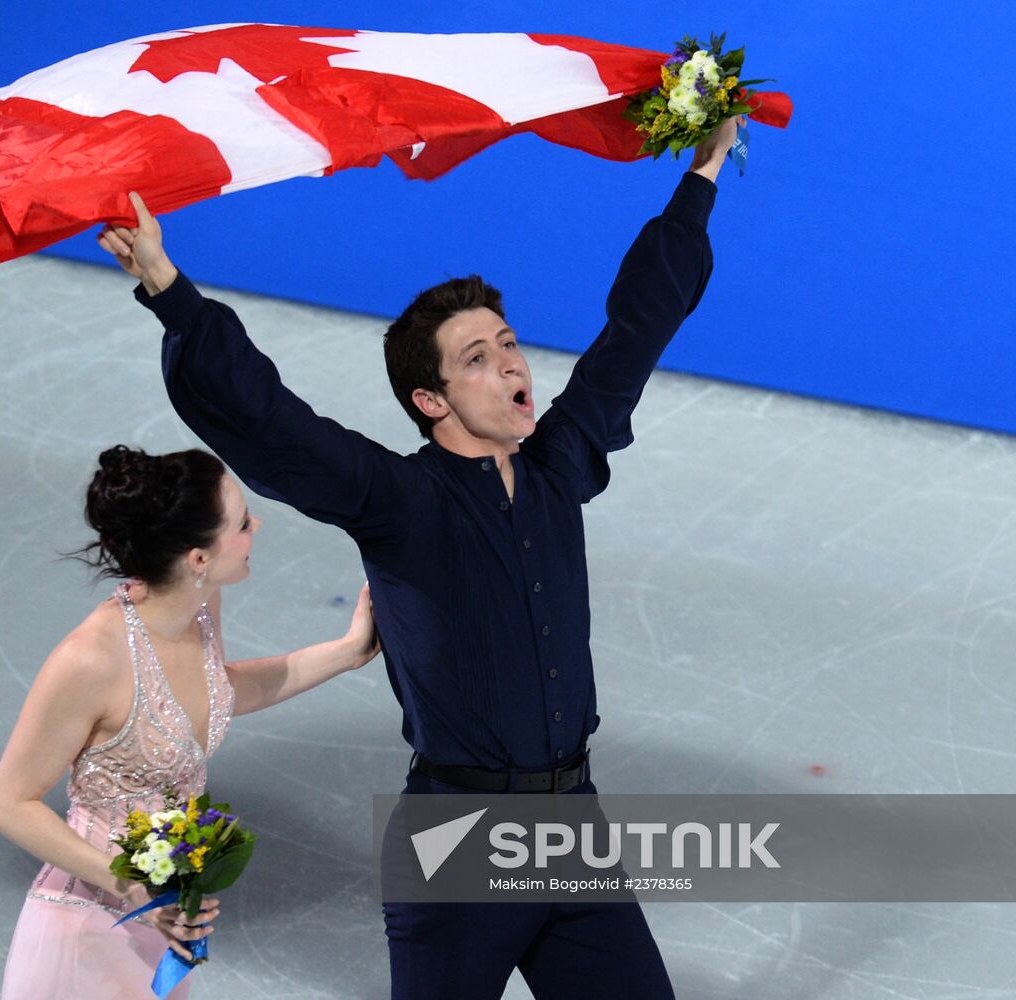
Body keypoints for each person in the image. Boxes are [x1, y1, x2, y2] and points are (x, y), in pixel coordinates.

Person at [99, 118, 739, 999]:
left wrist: (701, 175)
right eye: (477, 357)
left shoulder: (559, 466)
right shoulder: (398, 501)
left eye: (508, 342)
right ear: (430, 398)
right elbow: (269, 420)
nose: (510, 362)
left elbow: (635, 331)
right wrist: (171, 292)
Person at [0, 445, 380, 999]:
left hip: (162, 929)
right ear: (199, 558)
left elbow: (216, 693)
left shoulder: (200, 609)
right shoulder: (89, 661)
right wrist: (131, 888)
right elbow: (9, 803)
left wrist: (348, 651)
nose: (257, 526)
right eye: (242, 523)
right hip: (84, 934)